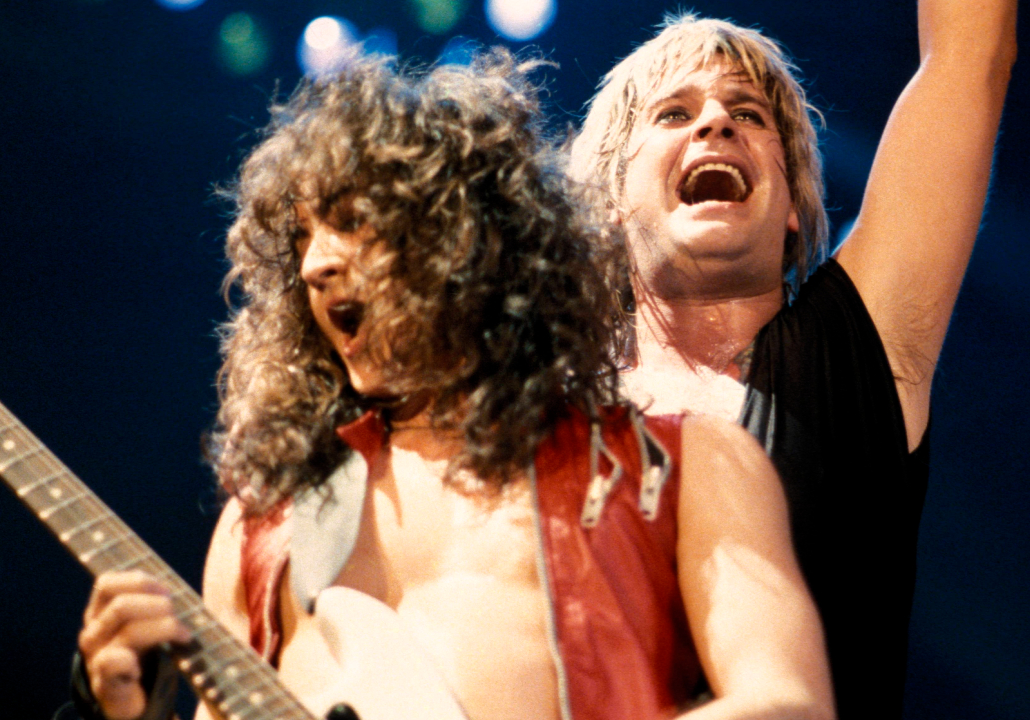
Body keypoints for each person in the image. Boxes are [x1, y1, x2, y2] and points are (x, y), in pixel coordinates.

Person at [70, 52, 832, 720]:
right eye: (303, 238)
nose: (316, 264)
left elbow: (790, 706)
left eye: (352, 224)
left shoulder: (684, 464)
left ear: (470, 239)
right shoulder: (260, 526)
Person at [568, 2, 1016, 717]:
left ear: (793, 206)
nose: (715, 121)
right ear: (613, 201)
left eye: (747, 114)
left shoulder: (857, 353)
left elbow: (968, 59)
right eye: (674, 114)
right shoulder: (544, 411)